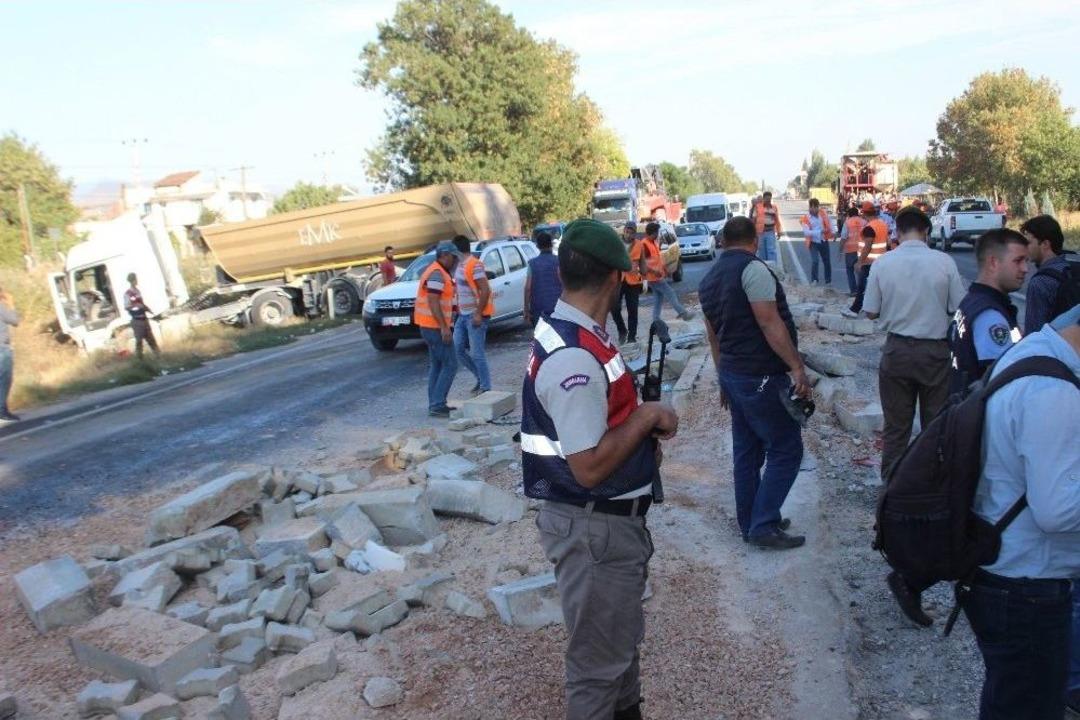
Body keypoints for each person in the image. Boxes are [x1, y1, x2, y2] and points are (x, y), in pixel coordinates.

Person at [521, 218, 679, 720]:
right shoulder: (575, 357)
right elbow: (588, 467)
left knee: (618, 652)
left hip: (603, 527)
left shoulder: (573, 331)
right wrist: (648, 417)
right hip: (595, 528)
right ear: (615, 278)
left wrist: (634, 429)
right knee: (596, 669)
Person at [963, 305, 1080, 720]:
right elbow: (1057, 511)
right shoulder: (1055, 392)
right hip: (1027, 586)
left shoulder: (1033, 349)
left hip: (1001, 573)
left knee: (1009, 701)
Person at [699, 216, 810, 550]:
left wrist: (722, 380)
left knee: (747, 452)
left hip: (734, 374)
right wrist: (797, 367)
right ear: (755, 238)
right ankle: (763, 523)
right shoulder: (754, 270)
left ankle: (753, 520)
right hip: (760, 374)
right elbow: (769, 322)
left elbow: (713, 337)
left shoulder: (708, 280)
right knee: (787, 448)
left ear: (722, 241)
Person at [863, 205, 966, 479]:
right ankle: (933, 492)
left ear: (897, 231)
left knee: (896, 429)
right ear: (926, 232)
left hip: (897, 351)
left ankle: (892, 498)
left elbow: (870, 310)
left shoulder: (883, 263)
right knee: (935, 427)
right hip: (935, 352)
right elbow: (958, 306)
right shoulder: (944, 262)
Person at [947, 229, 1028, 394]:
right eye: (1018, 261)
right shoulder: (989, 315)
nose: (1025, 268)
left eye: (1026, 261)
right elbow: (1002, 378)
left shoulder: (973, 300)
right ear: (993, 263)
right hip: (983, 412)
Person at [413, 242, 459, 417]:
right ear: (444, 255)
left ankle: (435, 402)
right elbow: (433, 301)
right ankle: (438, 404)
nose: (455, 261)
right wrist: (444, 327)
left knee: (438, 365)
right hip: (435, 327)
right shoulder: (437, 273)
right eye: (453, 257)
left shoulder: (437, 271)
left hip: (429, 326)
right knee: (450, 364)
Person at [451, 235, 493, 396]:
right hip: (462, 315)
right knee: (458, 349)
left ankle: (486, 387)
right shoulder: (460, 265)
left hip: (475, 316)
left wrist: (478, 314)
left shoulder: (474, 265)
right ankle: (480, 378)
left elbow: (485, 290)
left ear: (457, 249)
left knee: (477, 353)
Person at [1021, 215, 1076, 334]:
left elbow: (1034, 334)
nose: (1025, 248)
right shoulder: (1073, 265)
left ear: (1045, 244)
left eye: (1029, 243)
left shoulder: (1040, 283)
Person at [641, 222, 693, 323]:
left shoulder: (653, 243)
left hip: (656, 276)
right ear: (653, 233)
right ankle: (683, 313)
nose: (658, 235)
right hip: (653, 277)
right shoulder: (644, 245)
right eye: (657, 232)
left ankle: (656, 319)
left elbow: (657, 259)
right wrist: (654, 271)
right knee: (671, 293)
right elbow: (642, 263)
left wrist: (665, 270)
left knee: (658, 299)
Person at [844, 202, 888, 316]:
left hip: (869, 262)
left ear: (863, 213)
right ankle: (879, 311)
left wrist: (859, 262)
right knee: (878, 287)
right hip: (881, 261)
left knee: (862, 287)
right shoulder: (882, 224)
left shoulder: (869, 227)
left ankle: (855, 309)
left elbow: (868, 246)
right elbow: (886, 242)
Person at [610, 222, 646, 343]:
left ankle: (632, 337)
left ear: (635, 233)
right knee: (614, 308)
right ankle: (622, 330)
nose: (629, 235)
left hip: (633, 282)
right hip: (618, 281)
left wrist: (645, 280)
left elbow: (642, 263)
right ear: (624, 231)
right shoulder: (616, 244)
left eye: (632, 233)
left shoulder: (639, 245)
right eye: (627, 232)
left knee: (633, 310)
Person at [523, 231, 562, 329]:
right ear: (551, 245)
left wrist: (526, 309)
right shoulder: (559, 261)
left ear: (537, 246)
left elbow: (528, 288)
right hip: (557, 307)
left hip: (538, 308)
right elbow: (564, 284)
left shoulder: (532, 264)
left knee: (540, 339)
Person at [124, 273, 160, 359]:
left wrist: (148, 309)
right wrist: (136, 306)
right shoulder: (128, 294)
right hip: (137, 320)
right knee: (139, 341)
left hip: (144, 319)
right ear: (132, 281)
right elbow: (127, 307)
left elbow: (142, 303)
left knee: (151, 339)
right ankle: (140, 359)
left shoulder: (138, 291)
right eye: (135, 279)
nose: (136, 281)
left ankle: (158, 356)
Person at [800, 198, 834, 285]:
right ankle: (814, 279)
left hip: (823, 240)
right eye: (813, 207)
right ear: (810, 207)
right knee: (815, 261)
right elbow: (806, 232)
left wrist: (833, 232)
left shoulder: (822, 213)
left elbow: (829, 222)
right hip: (813, 242)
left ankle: (828, 281)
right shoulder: (805, 218)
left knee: (827, 261)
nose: (815, 209)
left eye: (816, 207)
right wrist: (819, 232)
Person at [0, 287, 19, 423]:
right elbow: (15, 320)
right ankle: (2, 411)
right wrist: (11, 303)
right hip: (2, 348)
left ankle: (4, 410)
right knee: (5, 380)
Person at [838, 206, 866, 295]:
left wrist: (840, 250)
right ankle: (861, 290)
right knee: (861, 271)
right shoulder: (864, 222)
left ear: (849, 215)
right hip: (862, 250)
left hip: (850, 251)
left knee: (850, 270)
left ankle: (853, 291)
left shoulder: (847, 222)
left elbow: (843, 237)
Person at [752, 191, 782, 261]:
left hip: (770, 232)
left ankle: (773, 268)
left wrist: (779, 231)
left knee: (771, 251)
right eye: (766, 199)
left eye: (769, 199)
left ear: (771, 199)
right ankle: (764, 268)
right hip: (760, 233)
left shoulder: (774, 208)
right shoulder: (758, 207)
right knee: (761, 251)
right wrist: (753, 232)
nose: (768, 201)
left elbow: (777, 220)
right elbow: (753, 219)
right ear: (763, 198)